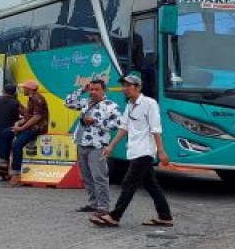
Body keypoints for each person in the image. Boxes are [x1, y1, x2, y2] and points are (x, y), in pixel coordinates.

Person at [90, 73, 173, 227]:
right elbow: (124, 127)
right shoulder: (129, 105)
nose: (125, 89)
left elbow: (156, 129)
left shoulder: (150, 103)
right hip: (134, 150)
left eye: (129, 86)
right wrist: (111, 146)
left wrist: (161, 151)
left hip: (145, 151)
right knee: (151, 184)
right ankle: (165, 216)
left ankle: (115, 216)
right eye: (124, 86)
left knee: (128, 182)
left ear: (138, 87)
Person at [64, 78, 121, 215]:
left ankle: (103, 207)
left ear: (104, 90)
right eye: (91, 89)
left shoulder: (111, 106)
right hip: (81, 144)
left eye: (97, 89)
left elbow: (118, 124)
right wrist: (82, 89)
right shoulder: (85, 103)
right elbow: (68, 102)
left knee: (99, 177)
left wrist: (96, 121)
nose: (93, 92)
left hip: (97, 146)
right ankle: (93, 203)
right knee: (86, 177)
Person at [4, 80, 49, 187]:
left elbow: (36, 117)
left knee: (17, 144)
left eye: (24, 88)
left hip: (37, 128)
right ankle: (3, 164)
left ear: (29, 89)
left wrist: (21, 128)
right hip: (29, 127)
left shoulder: (37, 99)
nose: (22, 89)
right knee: (5, 133)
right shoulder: (31, 98)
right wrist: (18, 123)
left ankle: (16, 174)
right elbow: (28, 116)